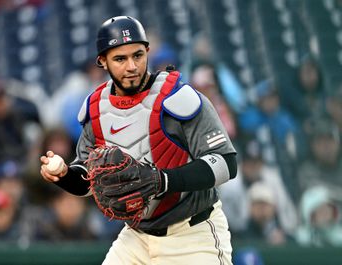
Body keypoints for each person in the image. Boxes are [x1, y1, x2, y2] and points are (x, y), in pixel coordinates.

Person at [40, 16, 237, 265]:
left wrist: (161, 180)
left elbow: (225, 163)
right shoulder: (95, 109)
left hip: (192, 234)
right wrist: (64, 174)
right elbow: (89, 181)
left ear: (148, 52)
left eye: (138, 55)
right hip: (136, 238)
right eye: (120, 59)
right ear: (102, 61)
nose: (132, 66)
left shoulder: (179, 98)